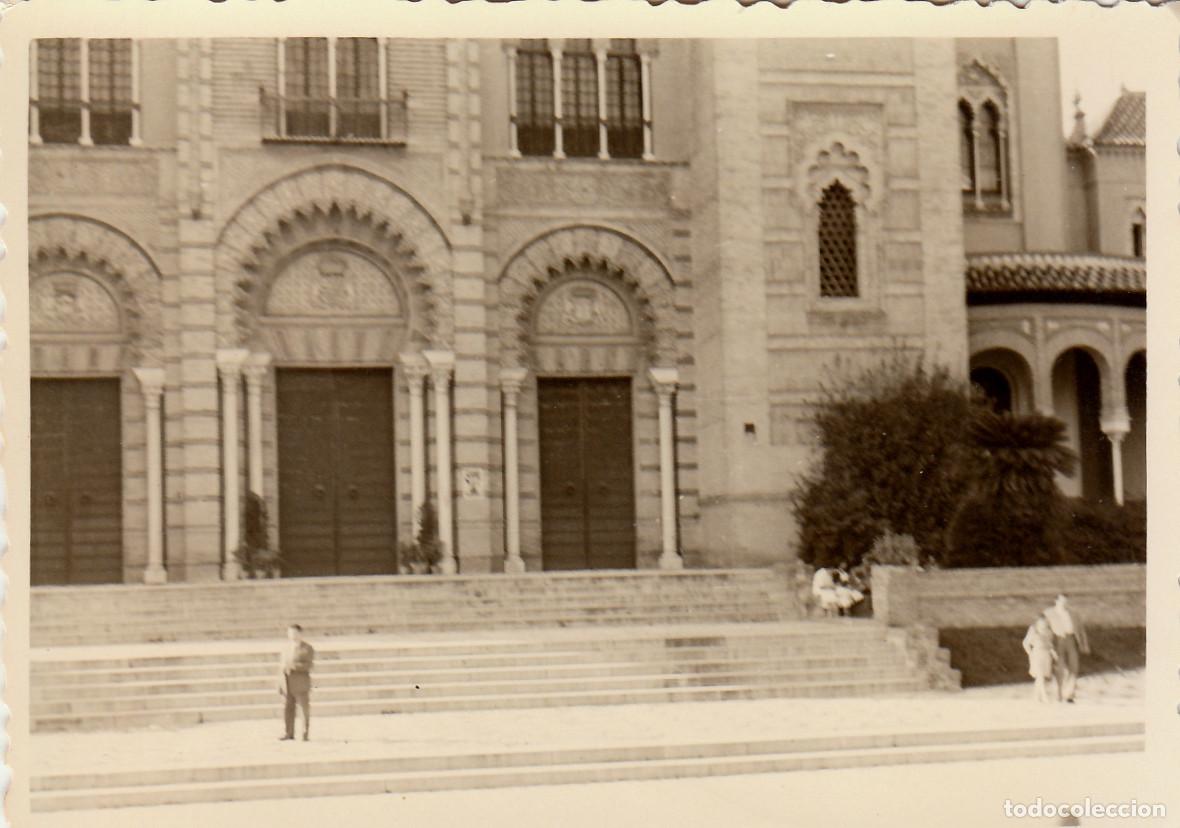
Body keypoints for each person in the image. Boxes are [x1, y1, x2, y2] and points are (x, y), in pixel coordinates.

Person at [1044, 593, 1089, 703]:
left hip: (1072, 640)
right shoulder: (1048, 613)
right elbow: (1043, 629)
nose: (1064, 603)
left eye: (1066, 601)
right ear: (1056, 601)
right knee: (1059, 668)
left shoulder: (1073, 613)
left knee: (1074, 667)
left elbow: (1081, 630)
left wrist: (1085, 645)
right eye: (1061, 601)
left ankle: (1069, 694)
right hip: (1057, 641)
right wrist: (1048, 645)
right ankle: (1058, 694)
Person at [278, 623, 315, 741]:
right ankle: (289, 732)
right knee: (288, 709)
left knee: (303, 709)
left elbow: (308, 665)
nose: (292, 635)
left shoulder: (307, 648)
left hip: (300, 683)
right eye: (290, 633)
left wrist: (291, 666)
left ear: (300, 634)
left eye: (294, 633)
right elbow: (281, 666)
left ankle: (304, 733)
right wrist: (280, 683)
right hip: (287, 683)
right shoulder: (285, 648)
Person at [1022, 614, 1058, 703]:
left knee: (1040, 677)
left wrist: (1053, 653)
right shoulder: (1033, 630)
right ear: (1037, 623)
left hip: (1046, 655)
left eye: (1045, 622)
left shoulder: (1049, 632)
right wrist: (1030, 653)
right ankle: (1044, 696)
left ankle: (1036, 697)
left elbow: (1050, 645)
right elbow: (1025, 643)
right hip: (1036, 655)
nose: (1043, 624)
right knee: (1040, 675)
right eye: (1041, 622)